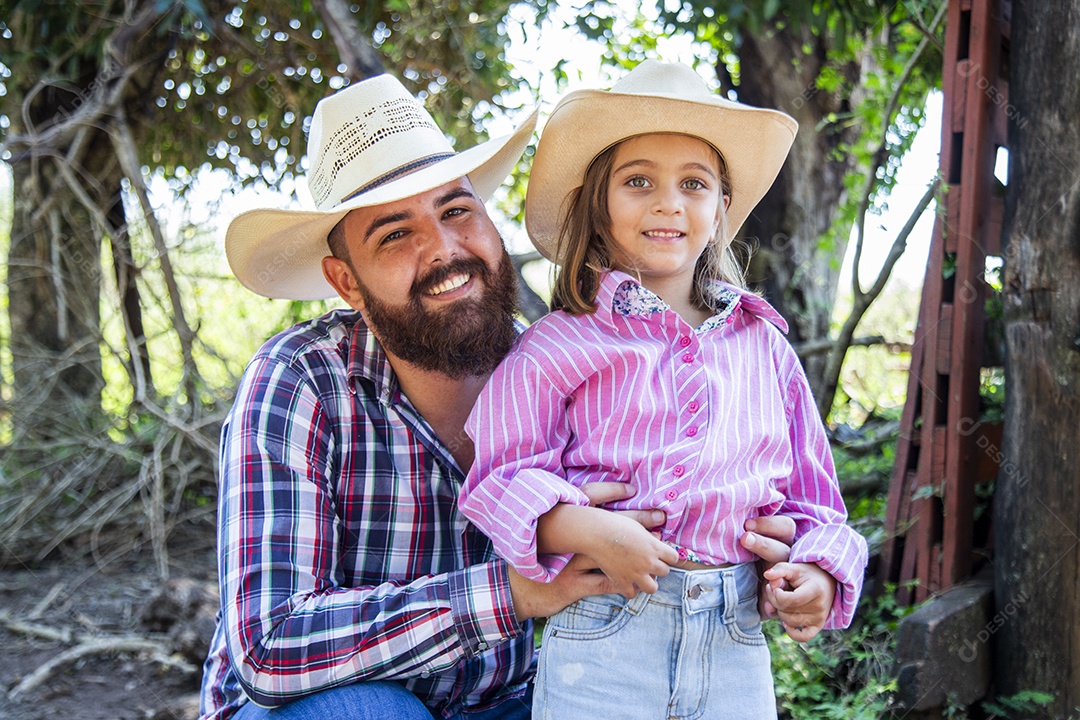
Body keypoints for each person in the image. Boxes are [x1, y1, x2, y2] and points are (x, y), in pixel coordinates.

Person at [200, 72, 835, 720]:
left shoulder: (558, 360)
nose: (444, 250)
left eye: (456, 211)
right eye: (395, 234)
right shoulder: (299, 381)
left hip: (511, 699)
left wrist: (746, 524)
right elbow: (271, 647)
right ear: (345, 280)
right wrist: (515, 592)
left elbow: (728, 479)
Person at [460, 60, 869, 720]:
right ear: (598, 203)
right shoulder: (558, 345)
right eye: (639, 180)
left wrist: (819, 572)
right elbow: (496, 479)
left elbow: (818, 501)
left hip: (734, 638)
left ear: (721, 208)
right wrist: (580, 525)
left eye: (694, 184)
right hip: (605, 632)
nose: (668, 201)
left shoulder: (763, 348)